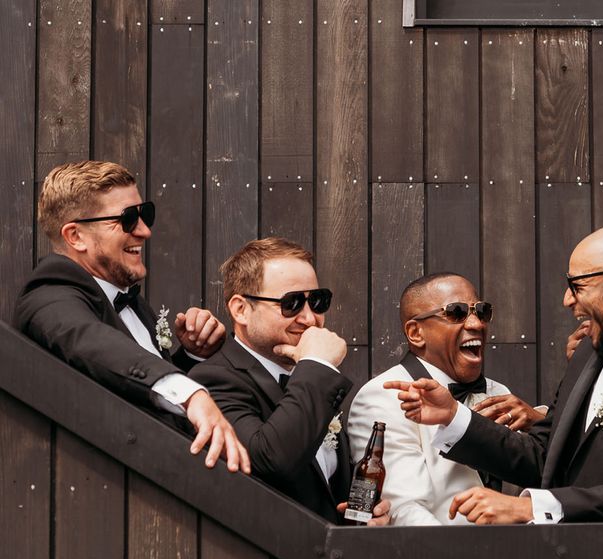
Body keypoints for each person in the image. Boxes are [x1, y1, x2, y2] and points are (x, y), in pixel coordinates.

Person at [386, 225, 603, 523]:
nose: (568, 300)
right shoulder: (588, 352)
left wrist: (529, 507)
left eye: (578, 285)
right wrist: (453, 417)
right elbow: (545, 456)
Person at [14, 160, 248, 472]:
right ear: (75, 236)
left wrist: (191, 357)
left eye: (144, 214)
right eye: (127, 219)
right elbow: (93, 345)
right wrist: (192, 396)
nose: (144, 230)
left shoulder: (130, 303)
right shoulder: (47, 296)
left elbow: (136, 396)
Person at [189, 237, 389, 524]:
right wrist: (317, 365)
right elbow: (271, 462)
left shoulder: (308, 379)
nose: (309, 318)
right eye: (291, 303)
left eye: (318, 301)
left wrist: (364, 515)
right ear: (241, 309)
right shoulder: (213, 379)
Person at [348, 273, 544, 525]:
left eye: (481, 311)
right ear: (416, 332)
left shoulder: (500, 393)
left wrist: (538, 420)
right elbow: (404, 510)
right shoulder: (383, 396)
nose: (476, 324)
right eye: (457, 312)